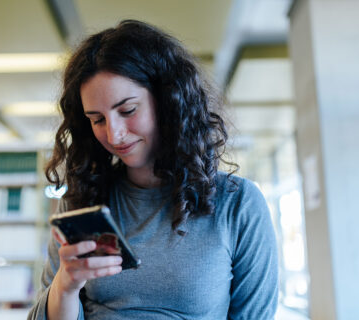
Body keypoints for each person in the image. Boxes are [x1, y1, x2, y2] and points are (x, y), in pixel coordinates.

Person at [28, 20, 278, 320]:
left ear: (168, 102)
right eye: (97, 119)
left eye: (128, 111)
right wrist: (65, 287)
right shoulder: (83, 203)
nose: (114, 134)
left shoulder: (238, 204)